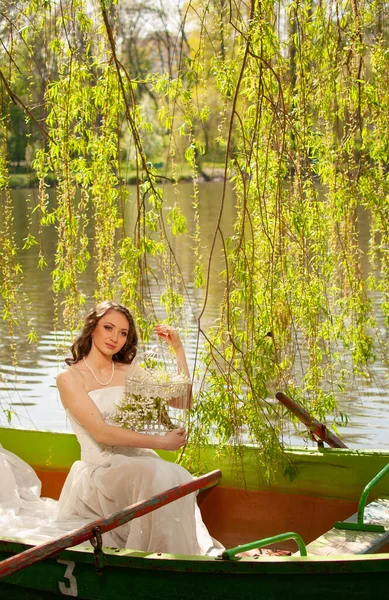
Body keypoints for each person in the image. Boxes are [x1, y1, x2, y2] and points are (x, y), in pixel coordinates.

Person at [55, 300, 223, 555]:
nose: (115, 338)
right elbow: (102, 433)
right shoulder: (69, 378)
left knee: (176, 474)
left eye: (123, 333)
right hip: (100, 470)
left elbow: (183, 401)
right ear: (92, 329)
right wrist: (162, 442)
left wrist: (178, 350)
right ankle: (153, 557)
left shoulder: (130, 371)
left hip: (137, 462)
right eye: (108, 328)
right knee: (154, 472)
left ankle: (172, 556)